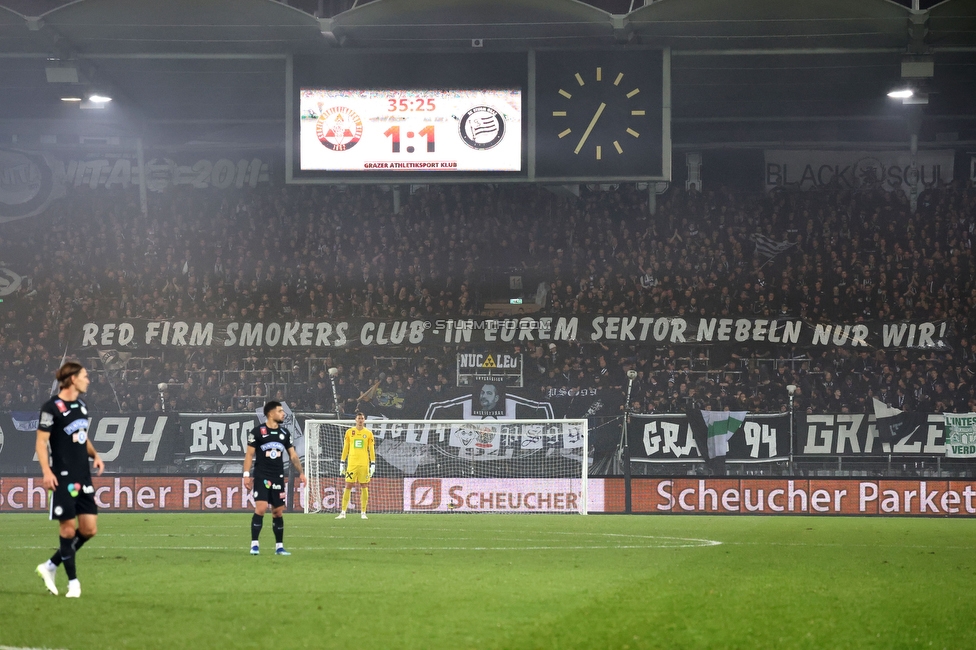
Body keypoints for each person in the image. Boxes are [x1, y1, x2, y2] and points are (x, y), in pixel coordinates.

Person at [35, 362, 104, 598]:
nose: (88, 380)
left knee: (89, 529)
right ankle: (73, 583)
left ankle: (50, 566)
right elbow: (41, 442)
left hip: (82, 476)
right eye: (85, 376)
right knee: (67, 530)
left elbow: (81, 437)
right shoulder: (51, 407)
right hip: (62, 477)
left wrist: (95, 455)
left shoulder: (82, 406)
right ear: (73, 379)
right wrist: (46, 471)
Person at [243, 401, 305, 555]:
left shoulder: (284, 433)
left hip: (277, 476)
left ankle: (279, 547)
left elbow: (293, 455)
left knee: (277, 512)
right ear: (270, 413)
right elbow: (249, 455)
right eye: (280, 411)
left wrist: (301, 472)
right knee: (261, 508)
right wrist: (246, 475)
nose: (283, 414)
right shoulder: (257, 432)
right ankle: (255, 545)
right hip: (261, 475)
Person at [336, 411, 375, 520]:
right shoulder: (349, 432)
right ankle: (343, 512)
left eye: (362, 418)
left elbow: (371, 449)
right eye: (359, 418)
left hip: (364, 464)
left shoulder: (368, 433)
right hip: (352, 464)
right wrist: (342, 462)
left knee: (364, 486)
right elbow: (346, 448)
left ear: (364, 420)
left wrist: (373, 463)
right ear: (355, 420)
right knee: (348, 486)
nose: (360, 420)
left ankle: (363, 512)